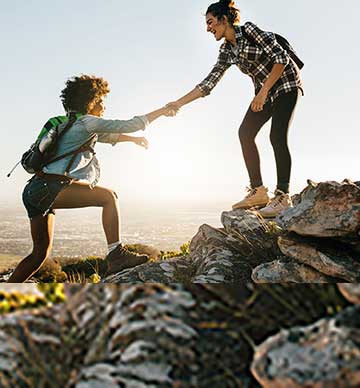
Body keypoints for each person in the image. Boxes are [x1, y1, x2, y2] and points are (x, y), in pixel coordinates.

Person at [8, 74, 175, 283]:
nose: (104, 106)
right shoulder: (88, 122)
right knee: (109, 197)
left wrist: (133, 140)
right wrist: (162, 110)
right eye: (101, 101)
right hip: (51, 187)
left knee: (39, 254)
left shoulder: (70, 124)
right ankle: (116, 255)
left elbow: (108, 136)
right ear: (92, 101)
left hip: (34, 191)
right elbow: (131, 124)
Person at [167, 0, 303, 218]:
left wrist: (263, 91)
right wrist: (177, 103)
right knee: (245, 133)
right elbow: (208, 83)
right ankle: (258, 191)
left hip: (286, 83)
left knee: (277, 136)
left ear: (224, 19)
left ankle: (282, 196)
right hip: (264, 92)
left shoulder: (249, 30)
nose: (208, 28)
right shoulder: (226, 51)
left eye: (211, 22)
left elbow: (281, 58)